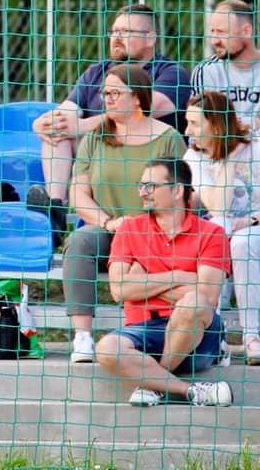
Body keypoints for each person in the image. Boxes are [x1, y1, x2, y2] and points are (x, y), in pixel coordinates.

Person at [30, 4, 190, 236]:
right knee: (57, 133)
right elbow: (66, 111)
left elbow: (145, 108)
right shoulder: (97, 71)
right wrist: (42, 123)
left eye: (126, 31)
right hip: (100, 153)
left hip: (148, 156)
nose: (117, 37)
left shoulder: (171, 73)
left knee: (67, 130)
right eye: (114, 31)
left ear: (150, 37)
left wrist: (83, 125)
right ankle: (54, 209)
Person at [66, 64, 186, 364]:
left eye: (115, 93)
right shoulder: (96, 136)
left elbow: (182, 194)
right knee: (80, 240)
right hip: (112, 229)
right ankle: (82, 336)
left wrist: (145, 226)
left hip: (156, 234)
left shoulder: (168, 138)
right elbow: (78, 194)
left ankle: (169, 337)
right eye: (104, 93)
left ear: (137, 98)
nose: (107, 99)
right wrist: (109, 222)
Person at [94, 157, 234, 407]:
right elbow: (119, 290)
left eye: (150, 186)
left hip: (198, 338)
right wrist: (177, 277)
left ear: (177, 190)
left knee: (192, 303)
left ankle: (151, 382)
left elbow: (206, 297)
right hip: (144, 328)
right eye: (141, 185)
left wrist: (142, 281)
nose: (142, 192)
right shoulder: (129, 229)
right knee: (106, 348)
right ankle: (188, 391)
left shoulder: (212, 233)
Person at [183, 91, 260, 366]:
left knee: (240, 242)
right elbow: (218, 208)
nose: (187, 131)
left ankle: (251, 336)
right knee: (219, 231)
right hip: (227, 234)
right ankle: (214, 334)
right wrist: (229, 160)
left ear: (216, 125)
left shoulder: (258, 149)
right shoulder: (194, 157)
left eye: (194, 123)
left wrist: (250, 222)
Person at [191, 0, 260, 161]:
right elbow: (199, 130)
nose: (214, 40)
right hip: (216, 161)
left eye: (221, 32)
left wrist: (225, 128)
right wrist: (256, 122)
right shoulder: (205, 71)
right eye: (212, 31)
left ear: (246, 31)